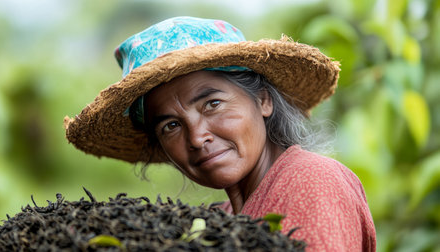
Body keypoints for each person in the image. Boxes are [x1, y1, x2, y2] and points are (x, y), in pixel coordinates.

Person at [64, 16, 376, 251]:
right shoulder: (218, 220)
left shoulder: (310, 180)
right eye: (170, 125)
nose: (197, 138)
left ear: (263, 100)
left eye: (212, 104)